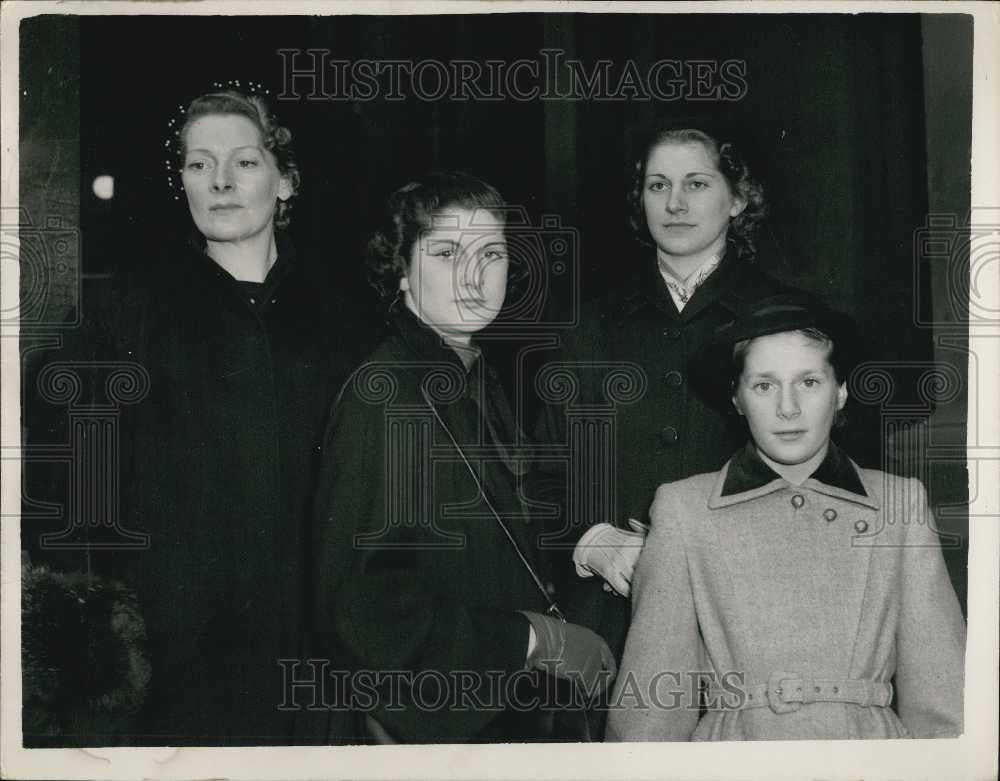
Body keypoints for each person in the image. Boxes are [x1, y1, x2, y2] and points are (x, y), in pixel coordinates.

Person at [22, 88, 353, 745]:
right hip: (175, 671)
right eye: (199, 165)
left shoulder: (345, 326)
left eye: (244, 163)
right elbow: (71, 505)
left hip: (315, 666)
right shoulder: (120, 316)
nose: (221, 181)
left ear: (287, 180)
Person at [312, 172, 617, 744]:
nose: (474, 276)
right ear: (400, 271)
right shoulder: (387, 394)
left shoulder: (471, 374)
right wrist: (529, 641)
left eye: (492, 253)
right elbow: (363, 607)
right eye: (447, 252)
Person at [605, 293, 966, 740]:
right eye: (764, 385)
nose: (788, 408)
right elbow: (652, 709)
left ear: (841, 391)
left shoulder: (900, 504)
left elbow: (944, 700)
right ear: (736, 398)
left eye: (809, 382)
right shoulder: (683, 510)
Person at [532, 120, 792, 664]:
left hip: (746, 622)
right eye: (657, 185)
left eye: (696, 184)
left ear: (738, 198)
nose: (675, 203)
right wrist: (594, 542)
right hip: (610, 627)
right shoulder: (587, 325)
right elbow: (544, 477)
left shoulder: (786, 323)